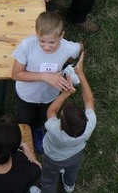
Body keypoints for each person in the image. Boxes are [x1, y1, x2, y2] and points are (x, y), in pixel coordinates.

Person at [11, 11, 82, 154]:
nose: (46, 47)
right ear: (36, 34)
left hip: (49, 96)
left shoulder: (67, 47)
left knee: (41, 117)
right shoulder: (27, 46)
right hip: (26, 95)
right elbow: (16, 74)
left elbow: (80, 47)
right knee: (24, 118)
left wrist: (76, 65)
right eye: (42, 41)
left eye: (52, 42)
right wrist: (45, 76)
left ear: (61, 36)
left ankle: (37, 130)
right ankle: (21, 138)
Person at [40, 52, 96, 193]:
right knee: (72, 169)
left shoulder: (54, 129)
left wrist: (66, 93)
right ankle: (69, 185)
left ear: (61, 124)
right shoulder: (89, 125)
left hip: (52, 158)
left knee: (49, 179)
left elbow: (51, 111)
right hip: (75, 154)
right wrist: (81, 74)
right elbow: (89, 100)